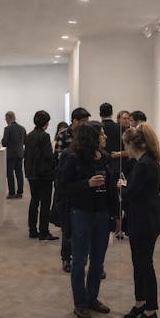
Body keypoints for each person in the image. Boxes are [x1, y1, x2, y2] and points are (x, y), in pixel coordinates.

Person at [58, 122, 120, 318]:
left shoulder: (106, 158)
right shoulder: (72, 157)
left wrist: (116, 216)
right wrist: (87, 183)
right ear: (91, 137)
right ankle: (80, 302)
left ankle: (92, 298)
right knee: (79, 260)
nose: (105, 137)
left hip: (102, 214)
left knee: (98, 261)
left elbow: (111, 190)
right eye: (101, 135)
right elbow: (63, 187)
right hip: (81, 213)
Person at [118, 124, 160, 318]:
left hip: (144, 221)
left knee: (144, 265)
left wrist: (122, 187)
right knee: (139, 263)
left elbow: (132, 194)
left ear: (131, 144)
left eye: (125, 145)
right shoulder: (147, 161)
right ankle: (140, 303)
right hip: (144, 219)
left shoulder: (144, 165)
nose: (124, 150)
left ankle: (150, 309)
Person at [53, 108, 90, 273]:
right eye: (82, 121)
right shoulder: (63, 134)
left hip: (83, 185)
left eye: (86, 122)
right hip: (68, 185)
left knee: (83, 226)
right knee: (68, 227)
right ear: (74, 121)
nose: (84, 125)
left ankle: (81, 258)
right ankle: (66, 258)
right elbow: (59, 157)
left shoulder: (88, 134)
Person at [24, 110, 58, 240]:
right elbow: (48, 155)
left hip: (31, 173)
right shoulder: (44, 136)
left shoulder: (29, 135)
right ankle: (44, 231)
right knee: (45, 203)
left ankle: (32, 230)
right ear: (46, 122)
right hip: (43, 175)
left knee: (34, 201)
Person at [1, 111, 27, 199]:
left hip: (10, 155)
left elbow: (4, 142)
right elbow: (25, 141)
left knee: (10, 174)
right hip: (20, 154)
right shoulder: (22, 128)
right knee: (19, 173)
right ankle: (20, 192)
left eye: (6, 118)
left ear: (9, 118)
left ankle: (11, 193)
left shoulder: (7, 129)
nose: (5, 121)